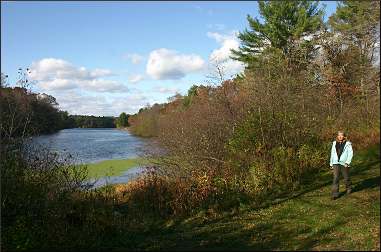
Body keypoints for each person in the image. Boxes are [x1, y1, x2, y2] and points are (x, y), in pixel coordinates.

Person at [330, 130, 353, 200]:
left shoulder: (348, 144)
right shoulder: (334, 143)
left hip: (344, 163)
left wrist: (347, 162)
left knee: (346, 178)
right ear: (337, 136)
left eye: (341, 135)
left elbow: (350, 153)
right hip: (335, 163)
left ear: (344, 136)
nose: (340, 136)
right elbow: (332, 153)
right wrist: (331, 163)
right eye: (339, 135)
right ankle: (335, 194)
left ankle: (349, 187)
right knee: (335, 178)